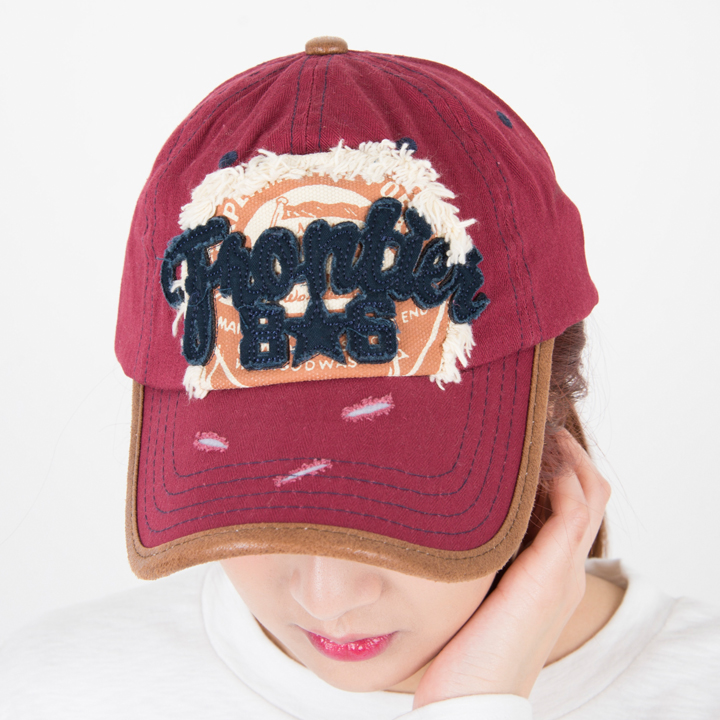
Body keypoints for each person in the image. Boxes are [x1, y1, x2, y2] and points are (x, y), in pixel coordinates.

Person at [2, 36, 719, 719]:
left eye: (394, 496)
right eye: (256, 497)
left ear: (549, 412)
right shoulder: (53, 693)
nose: (328, 598)